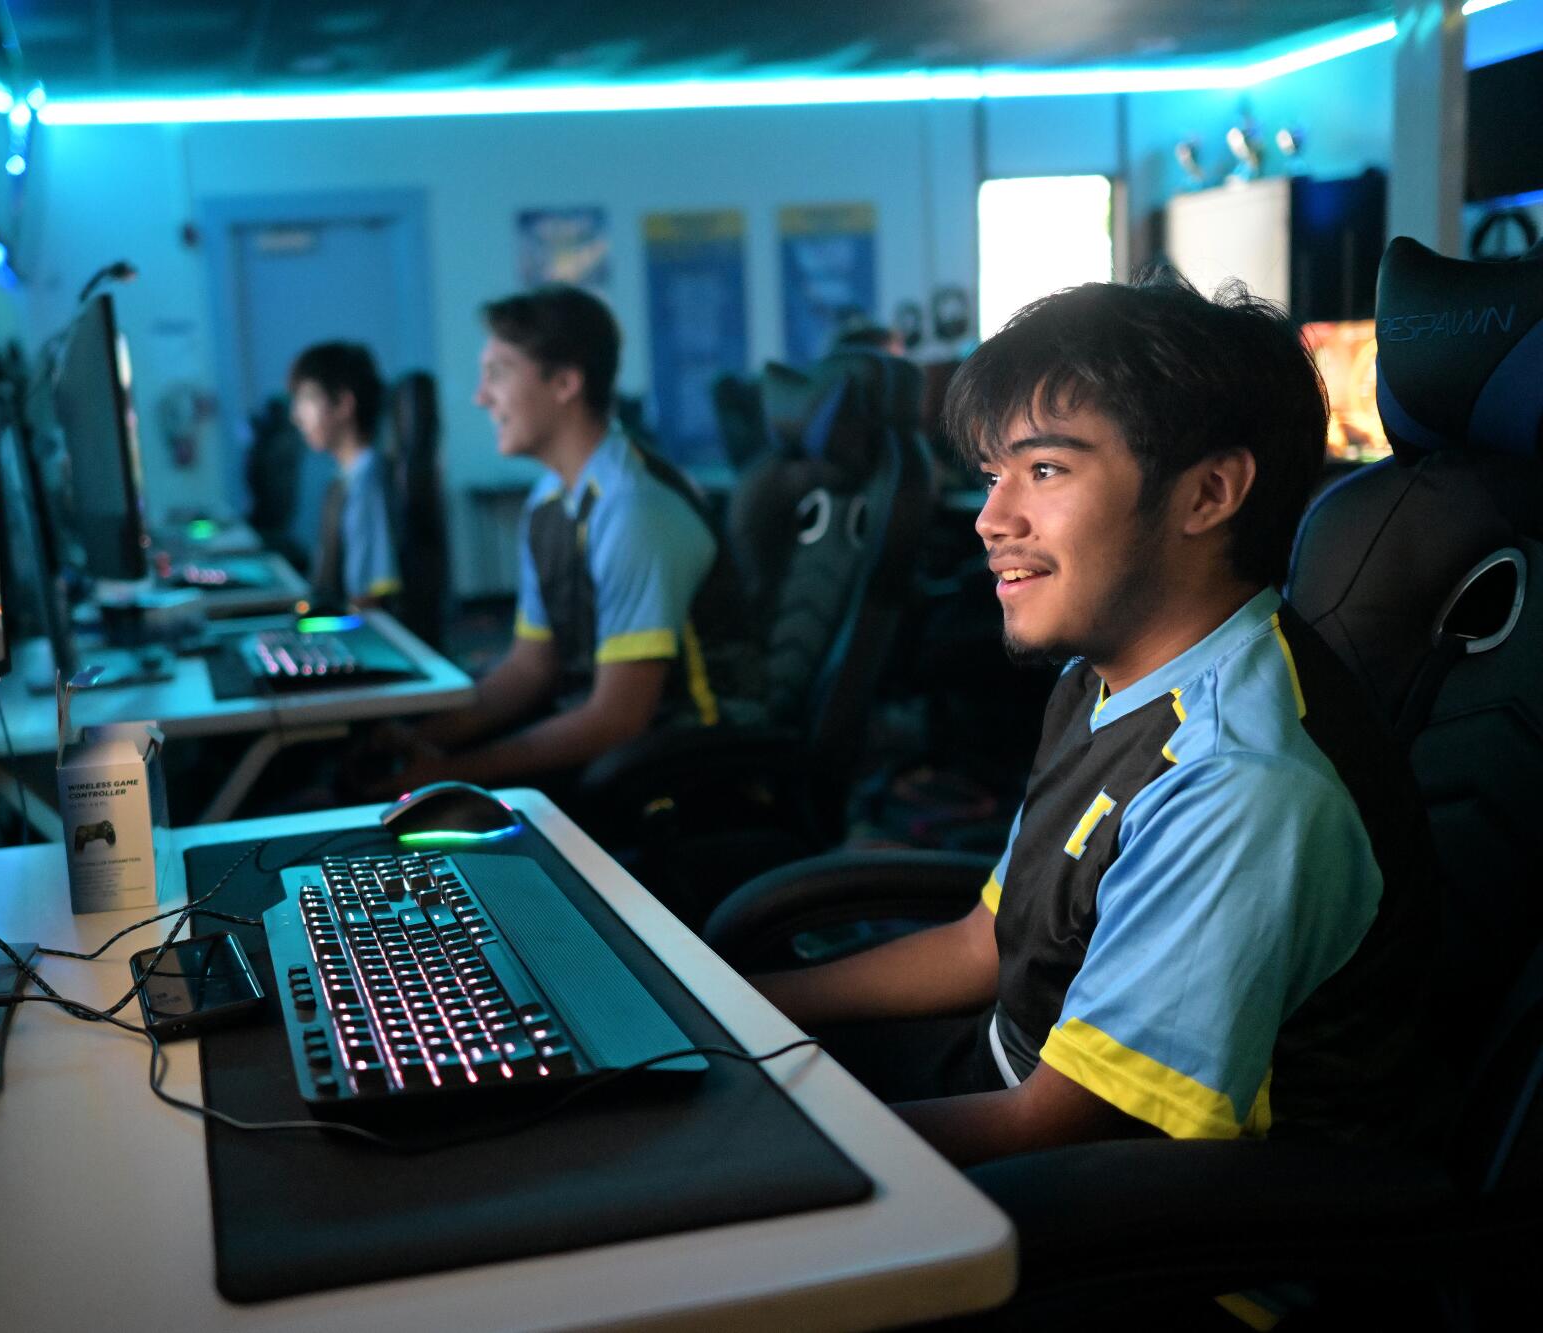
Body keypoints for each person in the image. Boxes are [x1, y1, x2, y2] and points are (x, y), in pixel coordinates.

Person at [753, 277, 1435, 1168]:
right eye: (996, 475)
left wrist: (752, 1154)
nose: (992, 519)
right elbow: (981, 943)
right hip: (1003, 1074)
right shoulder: (1107, 674)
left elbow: (1058, 1131)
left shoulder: (1237, 780)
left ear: (1208, 493)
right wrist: (747, 998)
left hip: (1127, 1238)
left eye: (1045, 470)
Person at [365, 285, 757, 794]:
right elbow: (530, 668)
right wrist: (420, 740)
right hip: (611, 755)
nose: (481, 397)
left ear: (566, 383)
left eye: (498, 373)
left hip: (689, 773)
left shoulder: (634, 510)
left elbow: (618, 719)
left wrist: (452, 775)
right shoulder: (551, 500)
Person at [287, 341, 399, 610]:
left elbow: (367, 598)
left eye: (308, 398)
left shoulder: (367, 483)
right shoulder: (345, 480)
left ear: (344, 404)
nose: (296, 416)